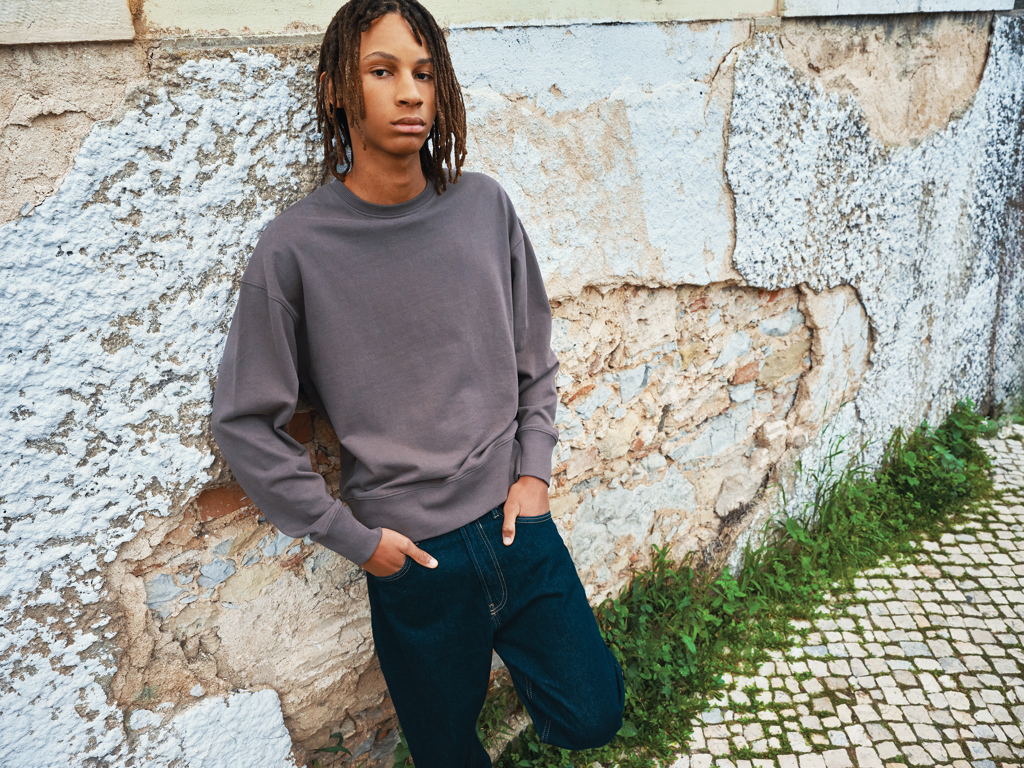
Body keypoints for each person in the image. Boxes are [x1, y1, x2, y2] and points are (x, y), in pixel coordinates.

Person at [210, 1, 624, 764]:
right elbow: (243, 421)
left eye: (425, 74)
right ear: (337, 90)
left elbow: (534, 352)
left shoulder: (483, 206)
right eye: (382, 71)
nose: (409, 93)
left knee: (593, 711)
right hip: (415, 561)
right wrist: (359, 542)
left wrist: (534, 474)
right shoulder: (295, 248)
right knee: (445, 752)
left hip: (518, 527)